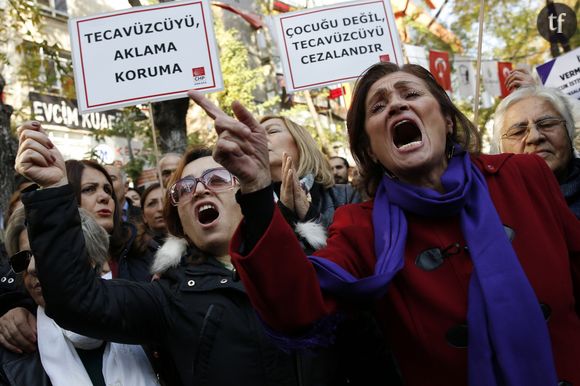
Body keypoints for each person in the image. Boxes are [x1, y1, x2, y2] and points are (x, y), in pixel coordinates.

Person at [188, 62, 580, 386]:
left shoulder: (525, 175)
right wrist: (256, 191)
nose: (395, 106)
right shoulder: (361, 227)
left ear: (445, 118)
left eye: (410, 94)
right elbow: (296, 308)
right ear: (370, 149)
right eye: (378, 107)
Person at [14, 136, 348, 386]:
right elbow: (76, 300)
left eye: (216, 180)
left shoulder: (309, 263)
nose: (201, 190)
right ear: (180, 221)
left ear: (243, 194)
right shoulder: (167, 296)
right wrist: (54, 193)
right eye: (185, 188)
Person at [0, 157, 155, 356]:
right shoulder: (27, 283)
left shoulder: (145, 252)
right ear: (62, 197)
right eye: (89, 189)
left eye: (108, 190)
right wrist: (14, 311)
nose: (104, 197)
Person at [0, 207, 159, 386]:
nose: (32, 268)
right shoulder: (12, 352)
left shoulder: (144, 319)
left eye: (45, 254)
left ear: (90, 259)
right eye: (24, 258)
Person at [261, 115, 360, 252]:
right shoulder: (252, 208)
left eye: (272, 131)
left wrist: (310, 215)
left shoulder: (346, 195)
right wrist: (284, 213)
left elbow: (357, 253)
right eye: (256, 135)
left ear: (300, 142)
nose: (260, 138)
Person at [491, 86, 580, 218]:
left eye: (547, 124)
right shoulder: (489, 211)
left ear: (569, 131)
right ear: (500, 149)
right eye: (518, 132)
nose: (534, 137)